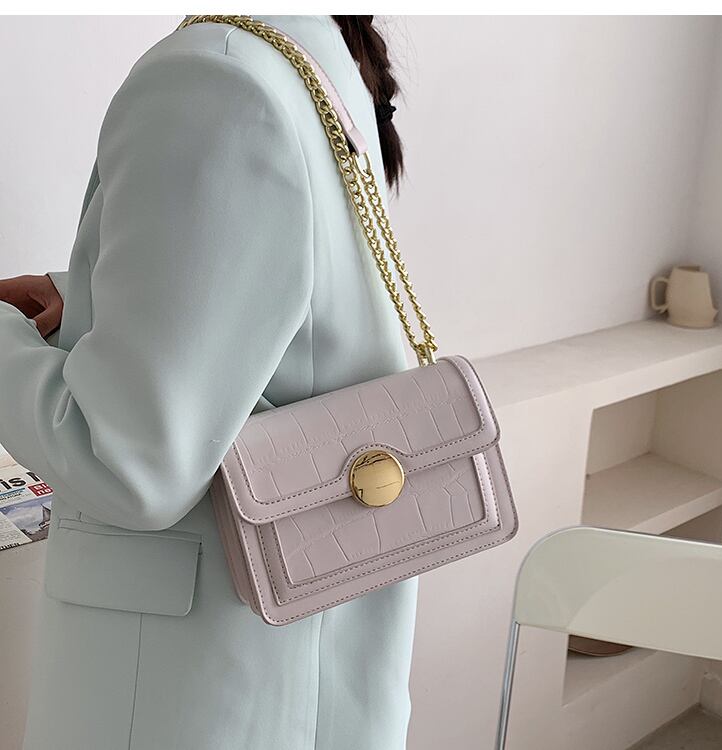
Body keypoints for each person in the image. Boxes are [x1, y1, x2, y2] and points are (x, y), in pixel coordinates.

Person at [0, 15, 419, 750]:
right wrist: (92, 298)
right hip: (277, 666)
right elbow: (298, 309)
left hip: (188, 690)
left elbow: (128, 463)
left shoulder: (213, 75)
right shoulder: (305, 54)